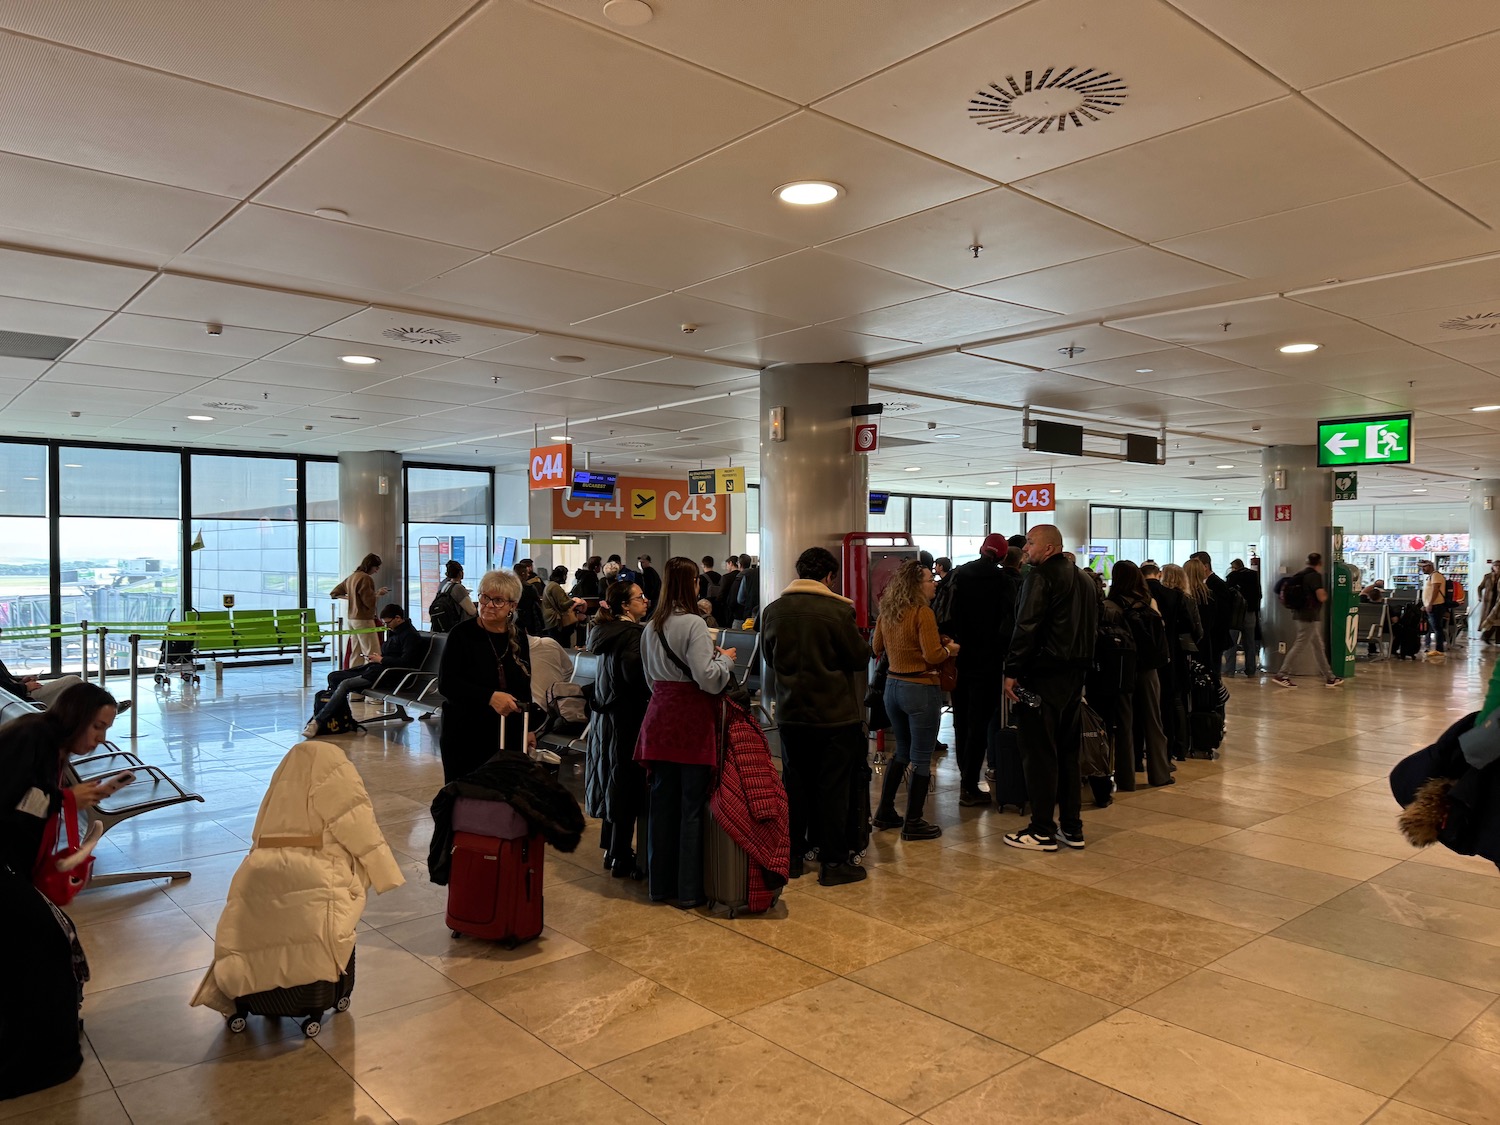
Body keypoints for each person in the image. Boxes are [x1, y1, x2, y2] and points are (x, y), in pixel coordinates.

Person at [0, 682, 119, 1101]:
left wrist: (74, 798)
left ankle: (48, 1035)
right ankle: (38, 1052)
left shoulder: (45, 740)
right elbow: (13, 800)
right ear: (76, 718)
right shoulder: (33, 737)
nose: (101, 737)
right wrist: (67, 797)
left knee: (44, 947)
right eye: (98, 726)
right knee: (47, 947)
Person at [760, 546, 871, 886]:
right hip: (834, 716)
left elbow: (768, 655)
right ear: (829, 576)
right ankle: (834, 862)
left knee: (795, 784)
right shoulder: (837, 612)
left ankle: (793, 856)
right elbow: (858, 657)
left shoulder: (773, 611)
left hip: (792, 713)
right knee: (833, 788)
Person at [636, 557, 736, 907]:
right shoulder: (694, 623)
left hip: (658, 716)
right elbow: (707, 679)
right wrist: (726, 660)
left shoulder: (651, 626)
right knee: (691, 805)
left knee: (662, 803)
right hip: (690, 719)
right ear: (691, 582)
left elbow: (650, 679)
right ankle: (687, 890)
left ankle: (658, 886)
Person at [1002, 523, 1097, 852]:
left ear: (1049, 548)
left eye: (1030, 542)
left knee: (1039, 753)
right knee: (1068, 753)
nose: (1025, 548)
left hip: (1043, 677)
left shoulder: (1040, 578)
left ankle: (1041, 829)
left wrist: (1011, 671)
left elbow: (1026, 626)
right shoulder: (1085, 579)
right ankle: (1072, 827)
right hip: (1074, 678)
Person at [871, 560, 954, 841]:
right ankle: (914, 821)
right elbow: (932, 656)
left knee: (902, 751)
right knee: (921, 756)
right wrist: (949, 649)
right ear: (916, 585)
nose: (934, 583)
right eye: (930, 579)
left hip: (893, 687)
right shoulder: (922, 613)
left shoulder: (888, 611)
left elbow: (876, 647)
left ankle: (884, 811)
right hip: (920, 687)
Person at [939, 532, 1021, 807]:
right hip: (988, 662)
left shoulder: (958, 575)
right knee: (979, 723)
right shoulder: (1004, 582)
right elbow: (1010, 624)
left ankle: (966, 779)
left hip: (959, 658)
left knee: (961, 722)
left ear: (981, 548)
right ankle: (970, 784)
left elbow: (943, 614)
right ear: (1002, 556)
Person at [436, 569, 536, 782]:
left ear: (512, 606)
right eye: (484, 597)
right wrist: (489, 697)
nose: (489, 605)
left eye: (498, 600)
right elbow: (447, 684)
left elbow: (523, 686)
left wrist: (528, 729)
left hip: (505, 731)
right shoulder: (461, 635)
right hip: (465, 732)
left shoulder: (518, 636)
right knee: (467, 800)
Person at [585, 581, 651, 879]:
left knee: (613, 780)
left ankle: (611, 848)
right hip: (627, 717)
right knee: (626, 783)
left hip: (606, 716)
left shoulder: (605, 632)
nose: (645, 600)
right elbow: (634, 676)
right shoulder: (632, 636)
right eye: (639, 598)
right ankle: (622, 855)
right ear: (625, 606)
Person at [302, 604, 423, 738]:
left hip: (390, 676)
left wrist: (381, 660)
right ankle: (340, 718)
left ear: (398, 618)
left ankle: (319, 721)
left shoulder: (410, 636)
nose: (386, 626)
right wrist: (377, 659)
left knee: (345, 684)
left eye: (388, 622)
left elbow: (406, 662)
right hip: (377, 670)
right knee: (334, 677)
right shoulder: (395, 632)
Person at [1110, 562, 1174, 788]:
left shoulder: (1109, 606)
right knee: (1153, 721)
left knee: (1124, 724)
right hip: (1147, 669)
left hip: (1119, 670)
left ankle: (1125, 779)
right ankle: (1160, 774)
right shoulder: (1148, 603)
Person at [1272, 552, 1343, 688]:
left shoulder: (1301, 574)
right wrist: (1328, 595)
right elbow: (1321, 596)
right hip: (1309, 616)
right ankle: (1282, 674)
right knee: (1300, 645)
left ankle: (1330, 677)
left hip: (1300, 613)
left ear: (1307, 562)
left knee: (1318, 647)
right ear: (1320, 564)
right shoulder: (1315, 576)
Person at [330, 552, 389, 667]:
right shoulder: (366, 578)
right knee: (372, 651)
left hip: (352, 619)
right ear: (370, 566)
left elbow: (334, 593)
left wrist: (351, 598)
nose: (377, 571)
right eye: (376, 567)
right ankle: (372, 678)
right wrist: (379, 594)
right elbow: (369, 601)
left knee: (356, 652)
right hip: (364, 619)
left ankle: (353, 675)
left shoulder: (352, 577)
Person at [1189, 553, 1234, 687]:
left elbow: (1222, 614)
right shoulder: (1207, 585)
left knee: (1214, 671)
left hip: (1215, 637)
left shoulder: (1216, 584)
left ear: (1205, 566)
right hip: (1211, 636)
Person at [1224, 558, 1262, 676]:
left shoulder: (1233, 576)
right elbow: (1259, 595)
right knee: (1249, 643)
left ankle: (1230, 671)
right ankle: (1251, 671)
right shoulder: (1253, 576)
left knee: (1232, 643)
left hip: (1235, 613)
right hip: (1250, 613)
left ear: (1234, 567)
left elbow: (1227, 594)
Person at [542, 564, 585, 646]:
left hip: (549, 619)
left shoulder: (550, 585)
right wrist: (574, 600)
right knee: (563, 644)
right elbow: (562, 605)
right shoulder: (555, 587)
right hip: (555, 620)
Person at [513, 560, 546, 637]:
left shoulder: (510, 587)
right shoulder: (530, 587)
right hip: (529, 618)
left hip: (514, 617)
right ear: (524, 573)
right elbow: (537, 600)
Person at [1421, 560, 1448, 653]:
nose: (1422, 569)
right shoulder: (1431, 576)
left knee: (1437, 628)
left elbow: (1435, 590)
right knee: (1431, 627)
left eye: (1424, 566)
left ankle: (1439, 649)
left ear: (1430, 566)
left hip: (1436, 606)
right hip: (1431, 605)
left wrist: (1430, 603)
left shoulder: (1436, 575)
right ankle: (1431, 646)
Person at [716, 556, 743, 627]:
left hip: (727, 612)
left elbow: (720, 596)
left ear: (730, 563)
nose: (726, 567)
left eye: (727, 565)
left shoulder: (726, 577)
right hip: (741, 611)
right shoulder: (743, 576)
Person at [735, 554, 761, 623]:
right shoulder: (775, 574)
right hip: (768, 615)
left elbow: (740, 599)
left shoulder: (748, 575)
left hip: (750, 614)